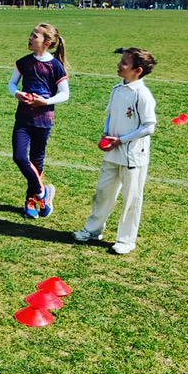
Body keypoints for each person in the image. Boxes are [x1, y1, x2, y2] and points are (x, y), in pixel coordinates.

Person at [73, 47, 157, 254]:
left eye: (124, 63)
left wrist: (121, 139)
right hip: (112, 151)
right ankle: (93, 229)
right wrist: (106, 133)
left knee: (131, 198)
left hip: (133, 156)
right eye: (120, 60)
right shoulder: (117, 89)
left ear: (137, 70)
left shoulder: (142, 94)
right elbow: (110, 114)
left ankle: (126, 240)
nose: (119, 65)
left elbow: (149, 126)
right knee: (103, 192)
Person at [8, 23, 69, 219]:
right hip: (23, 119)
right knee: (19, 157)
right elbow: (11, 83)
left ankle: (32, 200)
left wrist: (46, 101)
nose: (30, 38)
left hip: (44, 120)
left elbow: (65, 94)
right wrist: (17, 93)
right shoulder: (23, 62)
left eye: (35, 36)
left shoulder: (55, 66)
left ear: (47, 42)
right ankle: (44, 192)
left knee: (37, 160)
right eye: (31, 34)